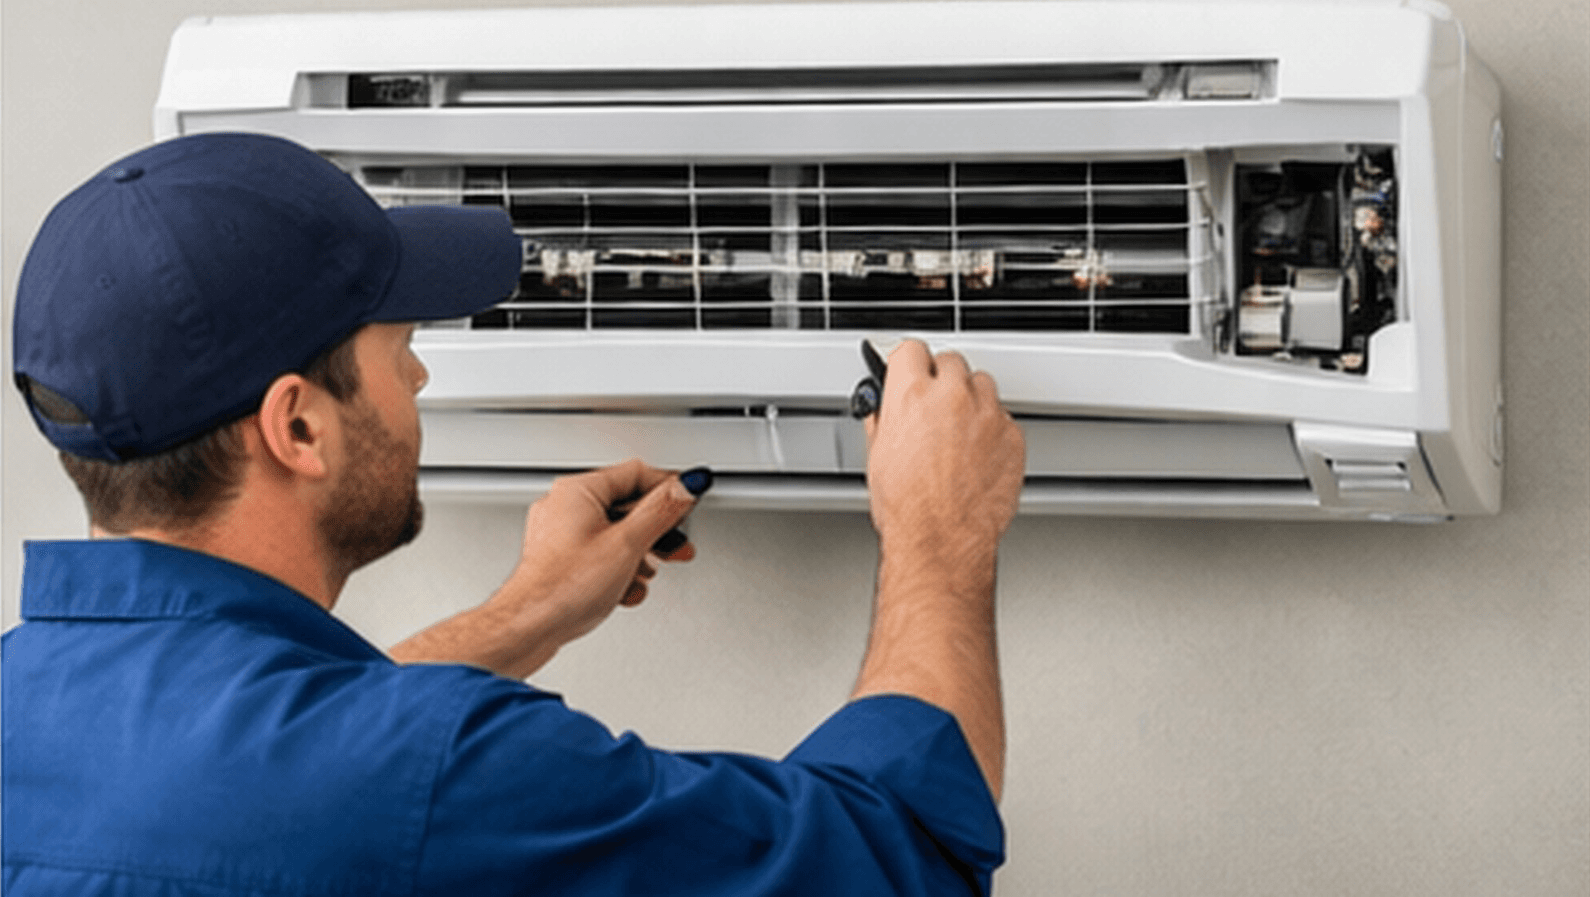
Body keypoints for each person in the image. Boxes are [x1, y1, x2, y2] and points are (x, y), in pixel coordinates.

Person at [2, 133, 1027, 895]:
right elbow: (904, 860)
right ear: (299, 428)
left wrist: (528, 610)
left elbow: (231, 762)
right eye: (393, 346)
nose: (419, 370)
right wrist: (940, 533)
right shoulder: (448, 768)